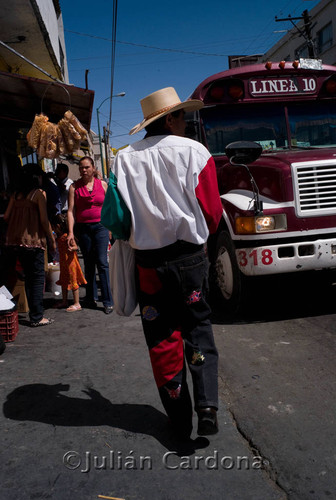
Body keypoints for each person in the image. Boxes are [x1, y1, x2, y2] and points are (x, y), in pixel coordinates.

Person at [107, 87, 223, 439]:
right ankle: (206, 407)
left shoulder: (124, 159)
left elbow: (116, 218)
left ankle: (178, 414)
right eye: (182, 117)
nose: (186, 123)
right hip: (190, 259)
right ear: (169, 118)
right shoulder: (196, 152)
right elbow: (212, 212)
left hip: (149, 266)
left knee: (162, 336)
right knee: (197, 328)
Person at [4, 163, 56, 327]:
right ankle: (37, 316)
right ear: (36, 178)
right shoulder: (39, 194)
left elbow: (6, 216)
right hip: (33, 241)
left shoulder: (16, 194)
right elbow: (43, 219)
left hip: (16, 241)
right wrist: (51, 238)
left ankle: (34, 314)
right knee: (37, 278)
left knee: (27, 277)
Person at [67, 156, 113, 314]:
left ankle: (107, 301)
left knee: (102, 262)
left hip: (101, 227)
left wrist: (111, 228)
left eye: (86, 167)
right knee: (88, 262)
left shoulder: (103, 185)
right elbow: (71, 211)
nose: (83, 170)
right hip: (83, 228)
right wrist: (71, 232)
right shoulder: (74, 187)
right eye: (81, 167)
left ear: (93, 168)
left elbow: (109, 207)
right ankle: (90, 297)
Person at [53, 215, 87, 312]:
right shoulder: (60, 237)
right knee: (64, 281)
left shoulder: (68, 237)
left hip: (71, 264)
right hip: (64, 263)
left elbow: (76, 247)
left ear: (59, 226)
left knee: (73, 282)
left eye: (54, 227)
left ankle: (77, 303)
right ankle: (64, 301)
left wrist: (72, 248)